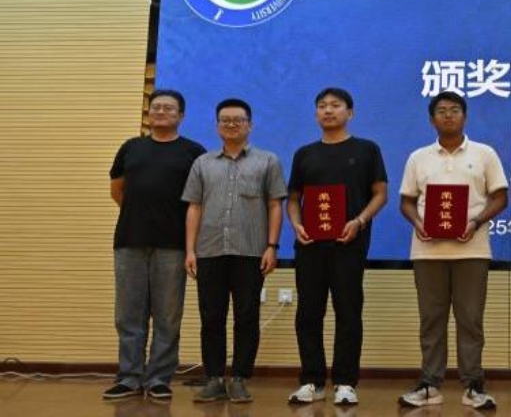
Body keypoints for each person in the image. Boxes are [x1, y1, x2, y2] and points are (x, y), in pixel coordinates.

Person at [397, 91, 508, 410]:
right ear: (431, 119)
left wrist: (475, 221)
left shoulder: (485, 154)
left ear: (465, 116)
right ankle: (430, 384)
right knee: (431, 319)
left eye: (455, 110)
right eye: (442, 111)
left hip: (472, 250)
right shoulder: (418, 157)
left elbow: (500, 197)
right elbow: (406, 201)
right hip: (427, 251)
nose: (448, 115)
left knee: (470, 319)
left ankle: (473, 385)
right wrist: (418, 222)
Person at [287, 87, 388, 406]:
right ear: (316, 113)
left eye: (335, 105)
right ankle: (312, 381)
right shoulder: (304, 154)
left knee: (348, 313)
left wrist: (359, 221)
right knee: (308, 313)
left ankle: (345, 382)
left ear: (350, 112)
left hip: (349, 244)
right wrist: (296, 224)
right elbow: (293, 198)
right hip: (310, 246)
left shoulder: (367, 149)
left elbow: (380, 193)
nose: (328, 110)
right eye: (322, 106)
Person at [182, 98, 287, 403]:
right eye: (225, 120)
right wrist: (190, 250)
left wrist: (272, 246)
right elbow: (194, 207)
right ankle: (214, 379)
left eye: (238, 120)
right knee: (211, 317)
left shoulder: (268, 161)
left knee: (247, 316)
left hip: (251, 251)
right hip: (209, 251)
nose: (231, 124)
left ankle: (240, 378)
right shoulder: (202, 163)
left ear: (249, 125)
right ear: (217, 126)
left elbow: (275, 205)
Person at [104, 89, 206, 400]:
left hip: (173, 245)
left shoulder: (193, 152)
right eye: (156, 107)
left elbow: (200, 200)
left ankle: (159, 378)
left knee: (167, 315)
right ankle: (130, 377)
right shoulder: (131, 148)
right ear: (149, 113)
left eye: (169, 108)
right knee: (128, 314)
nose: (161, 111)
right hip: (129, 241)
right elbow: (117, 191)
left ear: (181, 116)